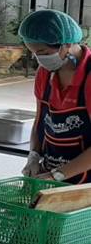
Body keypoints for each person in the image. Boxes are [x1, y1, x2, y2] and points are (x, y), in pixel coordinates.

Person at [19, 9, 91, 184]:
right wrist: (34, 155)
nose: (39, 59)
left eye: (43, 53)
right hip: (51, 171)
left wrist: (57, 175)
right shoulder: (44, 74)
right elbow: (40, 121)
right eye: (34, 53)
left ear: (66, 43)